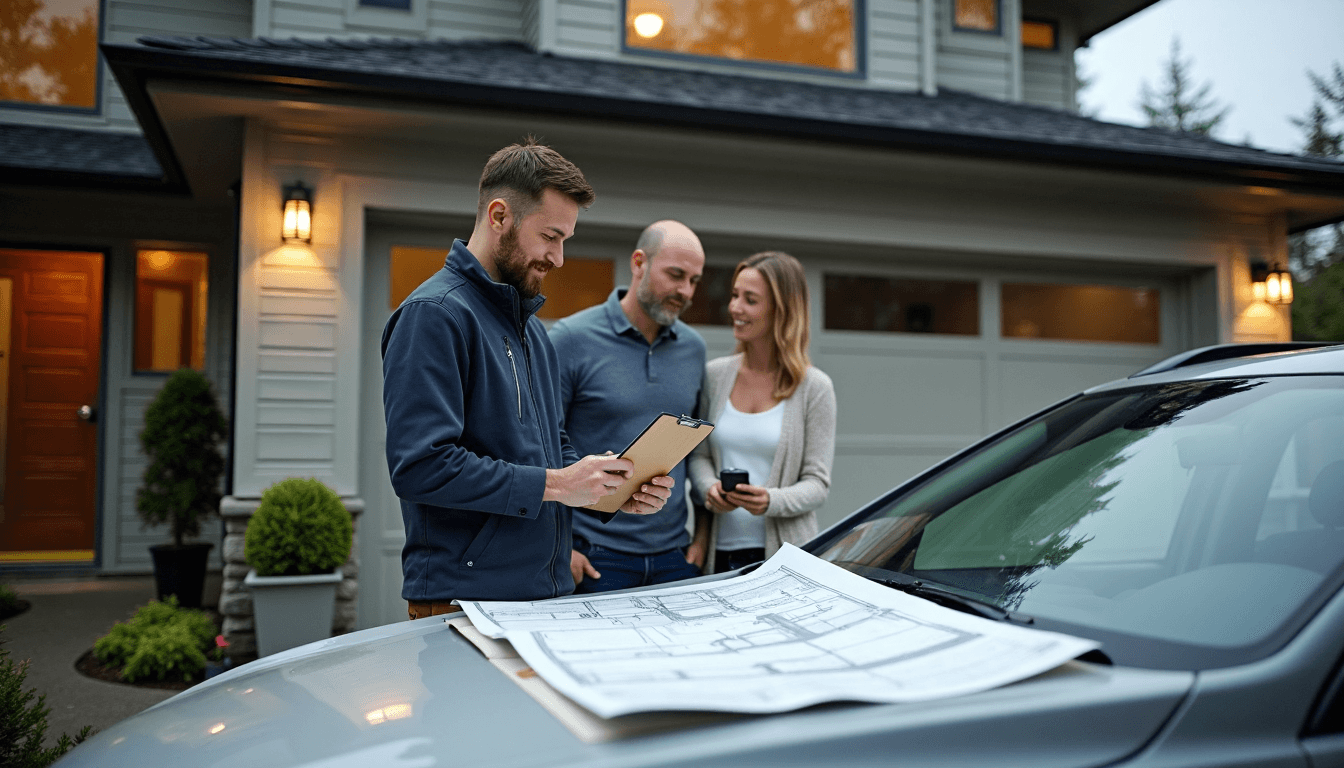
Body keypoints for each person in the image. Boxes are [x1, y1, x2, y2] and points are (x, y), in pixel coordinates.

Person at [381, 139, 675, 619]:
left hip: (545, 596)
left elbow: (550, 447)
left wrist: (610, 486)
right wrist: (557, 484)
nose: (559, 258)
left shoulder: (533, 332)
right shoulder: (433, 316)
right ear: (499, 216)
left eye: (566, 240)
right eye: (550, 236)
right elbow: (421, 466)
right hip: (463, 603)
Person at [550, 220, 708, 592]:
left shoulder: (694, 349)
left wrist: (701, 539)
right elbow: (541, 446)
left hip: (676, 557)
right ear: (639, 263)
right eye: (675, 275)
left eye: (694, 281)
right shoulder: (570, 339)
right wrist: (561, 547)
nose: (685, 291)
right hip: (595, 557)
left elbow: (699, 450)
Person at [688, 251, 836, 574]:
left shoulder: (815, 388)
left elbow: (817, 483)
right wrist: (709, 488)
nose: (735, 308)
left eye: (750, 300)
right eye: (734, 296)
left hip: (787, 559)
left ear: (781, 311)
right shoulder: (715, 375)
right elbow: (698, 456)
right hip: (721, 556)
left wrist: (770, 501)